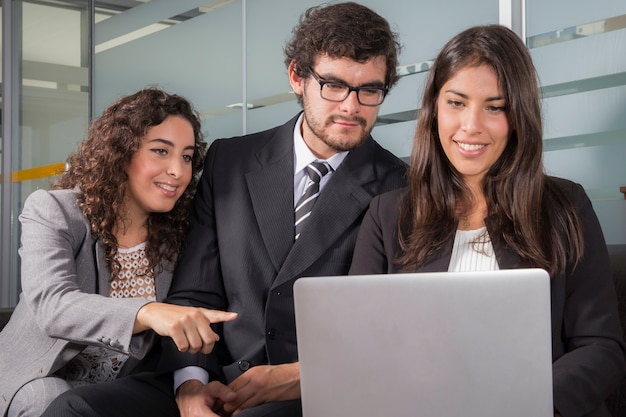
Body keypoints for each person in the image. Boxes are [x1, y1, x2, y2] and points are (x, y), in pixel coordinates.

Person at [42, 2, 408, 417]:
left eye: (369, 90)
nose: (350, 106)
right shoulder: (230, 160)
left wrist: (301, 375)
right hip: (214, 372)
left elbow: (388, 329)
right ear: (296, 77)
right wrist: (192, 384)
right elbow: (194, 292)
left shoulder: (402, 187)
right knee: (76, 408)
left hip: (310, 389)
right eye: (333, 85)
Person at [348, 24, 625, 417]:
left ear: (518, 117)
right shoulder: (388, 215)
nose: (471, 125)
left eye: (495, 107)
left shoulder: (565, 207)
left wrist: (530, 405)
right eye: (456, 103)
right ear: (434, 110)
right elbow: (358, 346)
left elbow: (600, 347)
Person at [0, 88, 237, 417]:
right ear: (121, 153)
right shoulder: (55, 210)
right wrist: (147, 312)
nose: (178, 171)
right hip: (38, 378)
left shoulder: (180, 233)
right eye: (160, 151)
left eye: (186, 156)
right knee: (51, 399)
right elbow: (52, 305)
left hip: (120, 393)